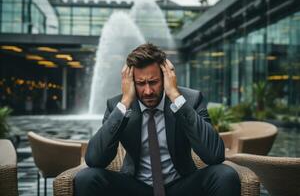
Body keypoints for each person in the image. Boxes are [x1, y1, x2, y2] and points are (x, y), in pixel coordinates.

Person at [75, 43, 241, 196]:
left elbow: (214, 156)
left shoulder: (190, 100)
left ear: (165, 78)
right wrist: (125, 103)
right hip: (135, 187)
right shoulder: (117, 106)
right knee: (87, 177)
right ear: (131, 82)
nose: (148, 91)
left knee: (225, 175)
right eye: (141, 83)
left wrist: (176, 97)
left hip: (181, 186)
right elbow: (94, 159)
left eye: (153, 82)